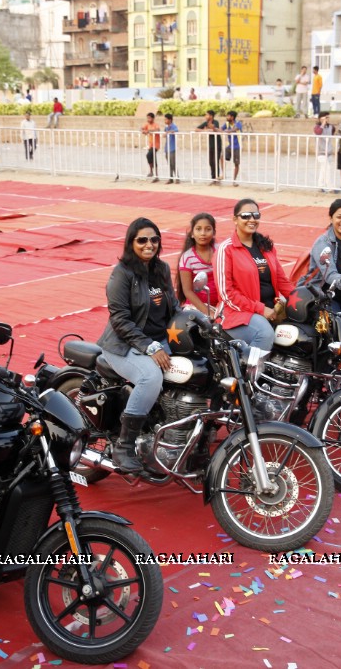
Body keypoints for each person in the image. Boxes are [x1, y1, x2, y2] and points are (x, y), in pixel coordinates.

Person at [95, 218, 179, 472]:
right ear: (131, 242)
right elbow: (119, 320)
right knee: (151, 376)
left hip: (159, 339)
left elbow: (173, 307)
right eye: (142, 239)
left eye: (154, 239)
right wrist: (150, 347)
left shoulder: (161, 269)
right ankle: (124, 445)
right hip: (123, 344)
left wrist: (196, 322)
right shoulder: (122, 274)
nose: (149, 244)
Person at [215, 198, 293, 350]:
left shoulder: (266, 246)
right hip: (237, 314)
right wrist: (261, 309)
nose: (252, 219)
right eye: (245, 216)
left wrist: (300, 299)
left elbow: (282, 280)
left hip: (271, 310)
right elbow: (227, 294)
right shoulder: (226, 250)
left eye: (256, 215)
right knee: (265, 333)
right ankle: (251, 373)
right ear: (235, 220)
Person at [176, 212, 218, 317]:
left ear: (214, 232)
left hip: (221, 304)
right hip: (197, 307)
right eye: (198, 229)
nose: (203, 233)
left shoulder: (220, 251)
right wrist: (209, 313)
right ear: (192, 233)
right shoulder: (187, 258)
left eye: (208, 229)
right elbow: (188, 291)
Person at [195, 109, 223, 183]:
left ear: (211, 116)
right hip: (211, 145)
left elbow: (215, 129)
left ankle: (216, 178)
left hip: (217, 144)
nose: (205, 116)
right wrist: (204, 130)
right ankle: (213, 178)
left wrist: (212, 128)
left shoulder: (216, 122)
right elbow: (196, 129)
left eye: (206, 115)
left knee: (215, 161)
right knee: (211, 162)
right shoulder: (206, 123)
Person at [314, 111, 336, 193]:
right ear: (320, 118)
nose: (327, 119)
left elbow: (332, 132)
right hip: (321, 152)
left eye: (328, 117)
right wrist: (322, 124)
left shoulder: (331, 127)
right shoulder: (317, 127)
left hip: (329, 152)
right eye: (325, 117)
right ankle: (330, 188)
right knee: (327, 169)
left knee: (323, 170)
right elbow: (318, 132)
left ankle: (320, 186)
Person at [222, 110, 243, 185]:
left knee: (236, 164)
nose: (227, 117)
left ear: (232, 117)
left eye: (228, 116)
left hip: (237, 146)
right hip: (230, 146)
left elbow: (235, 129)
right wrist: (213, 129)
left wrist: (228, 131)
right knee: (221, 156)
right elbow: (221, 129)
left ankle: (234, 181)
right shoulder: (227, 124)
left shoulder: (238, 123)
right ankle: (223, 174)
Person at [141, 112, 161, 181]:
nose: (148, 119)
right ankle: (153, 173)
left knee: (149, 155)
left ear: (153, 118)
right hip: (150, 144)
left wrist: (148, 131)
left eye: (149, 118)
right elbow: (141, 128)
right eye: (147, 118)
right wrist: (143, 131)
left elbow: (158, 129)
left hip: (156, 144)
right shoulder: (147, 124)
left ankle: (153, 173)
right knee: (151, 158)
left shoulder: (156, 125)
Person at [163, 113, 179, 183]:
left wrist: (169, 132)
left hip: (172, 148)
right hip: (167, 147)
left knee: (173, 163)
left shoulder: (173, 126)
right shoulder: (166, 127)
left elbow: (176, 130)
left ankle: (177, 177)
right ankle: (171, 177)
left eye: (166, 119)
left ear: (170, 120)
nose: (165, 120)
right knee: (169, 163)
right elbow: (164, 132)